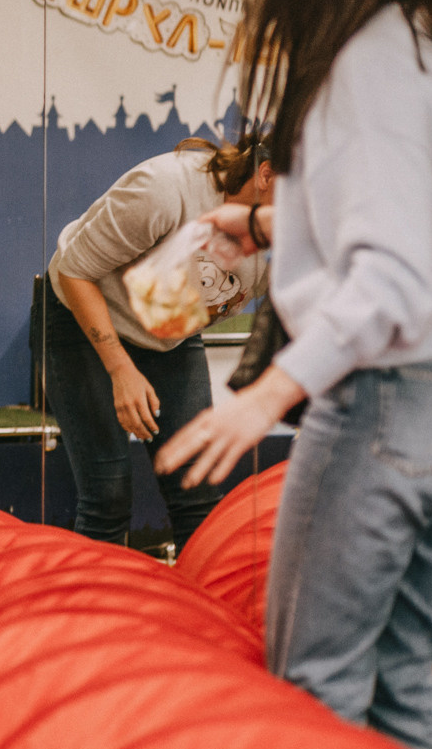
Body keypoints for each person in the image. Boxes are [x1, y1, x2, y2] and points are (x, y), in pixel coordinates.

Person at [159, 0, 432, 749]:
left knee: (317, 680)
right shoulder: (426, 43)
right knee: (396, 674)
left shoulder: (363, 64)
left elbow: (391, 277)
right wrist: (265, 230)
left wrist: (268, 392)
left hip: (386, 399)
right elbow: (425, 229)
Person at [41, 137, 273, 554]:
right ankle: (91, 614)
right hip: (83, 313)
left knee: (197, 493)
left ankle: (199, 617)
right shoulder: (165, 188)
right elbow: (76, 273)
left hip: (167, 332)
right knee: (108, 496)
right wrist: (119, 368)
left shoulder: (291, 240)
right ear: (266, 174)